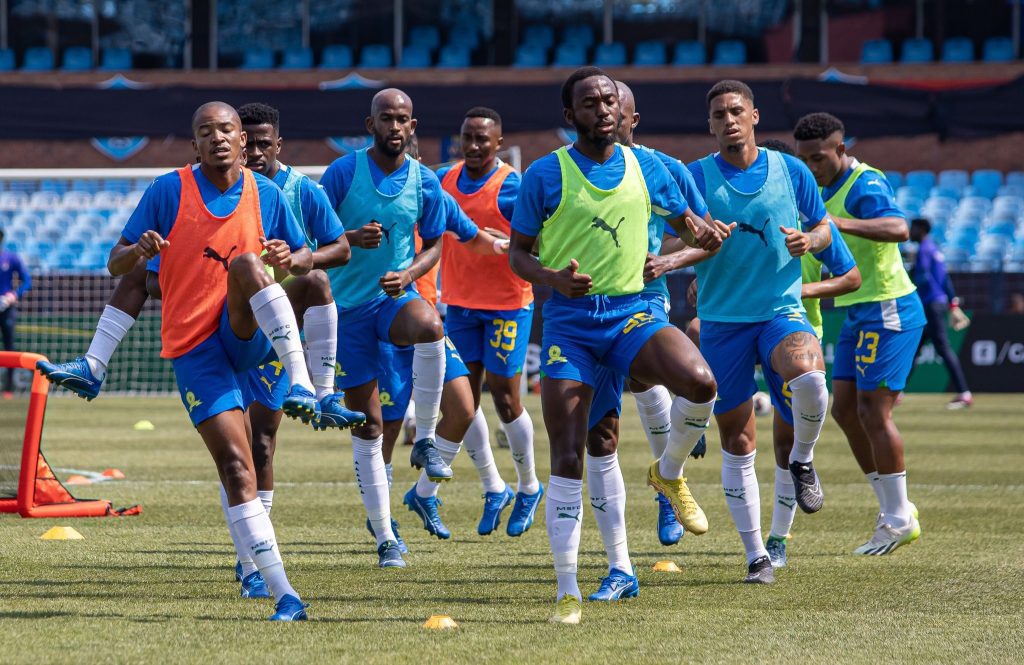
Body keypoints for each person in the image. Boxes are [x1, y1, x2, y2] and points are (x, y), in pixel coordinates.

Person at [509, 67, 728, 624]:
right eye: (590, 103)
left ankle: (669, 472)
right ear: (570, 117)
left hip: (633, 311)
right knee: (578, 450)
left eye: (609, 100)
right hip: (570, 322)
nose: (603, 109)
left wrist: (699, 237)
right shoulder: (544, 175)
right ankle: (574, 588)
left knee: (702, 384)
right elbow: (518, 256)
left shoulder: (650, 166)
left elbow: (693, 227)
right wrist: (552, 278)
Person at [106, 101, 312, 620]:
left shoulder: (267, 193)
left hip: (247, 332)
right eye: (206, 132)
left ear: (244, 141)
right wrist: (139, 252)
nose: (217, 138)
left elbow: (308, 256)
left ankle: (307, 382)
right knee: (238, 465)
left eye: (227, 130)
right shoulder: (166, 190)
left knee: (247, 263)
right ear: (193, 144)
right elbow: (116, 262)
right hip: (194, 346)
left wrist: (291, 258)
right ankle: (281, 590)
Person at [688, 81, 833, 585]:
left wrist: (808, 239)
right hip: (723, 322)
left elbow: (824, 230)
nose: (728, 120)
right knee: (738, 440)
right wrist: (684, 257)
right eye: (718, 114)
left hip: (779, 311)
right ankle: (757, 557)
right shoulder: (695, 177)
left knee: (811, 378)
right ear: (710, 125)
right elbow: (676, 233)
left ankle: (802, 459)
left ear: (754, 115)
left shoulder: (791, 171)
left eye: (736, 111)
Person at [319, 88, 452, 569]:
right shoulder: (341, 173)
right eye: (386, 119)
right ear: (369, 124)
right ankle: (384, 535)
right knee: (370, 425)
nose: (395, 127)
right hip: (345, 312)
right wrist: (349, 238)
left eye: (403, 120)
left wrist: (411, 274)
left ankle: (429, 439)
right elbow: (308, 234)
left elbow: (437, 244)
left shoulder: (425, 181)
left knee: (430, 325)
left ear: (412, 127)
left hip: (393, 299)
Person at [794, 111, 925, 556]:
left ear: (841, 150)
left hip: (888, 307)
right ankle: (897, 508)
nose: (812, 167)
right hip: (854, 311)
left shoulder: (865, 183)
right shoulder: (822, 189)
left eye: (819, 158)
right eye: (805, 159)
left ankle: (896, 518)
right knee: (845, 410)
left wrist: (837, 225)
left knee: (873, 411)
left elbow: (899, 228)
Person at [436, 106, 544, 537]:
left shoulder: (512, 186)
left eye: (484, 139)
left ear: (499, 144)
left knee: (504, 396)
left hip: (506, 305)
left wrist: (511, 244)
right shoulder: (445, 180)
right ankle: (493, 487)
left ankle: (529, 486)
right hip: (460, 304)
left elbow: (537, 241)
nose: (475, 145)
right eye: (468, 137)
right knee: (464, 398)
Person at [909, 217, 972, 409]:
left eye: (913, 228)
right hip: (936, 304)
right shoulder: (935, 249)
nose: (910, 232)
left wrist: (913, 293)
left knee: (942, 348)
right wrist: (952, 303)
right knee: (912, 348)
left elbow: (924, 277)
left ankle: (964, 393)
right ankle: (895, 391)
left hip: (929, 305)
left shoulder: (924, 250)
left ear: (921, 229)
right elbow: (945, 279)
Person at [0, 228, 31, 399]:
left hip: (6, 308)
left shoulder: (10, 258)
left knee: (9, 348)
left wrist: (13, 295)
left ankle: (8, 389)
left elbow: (27, 281)